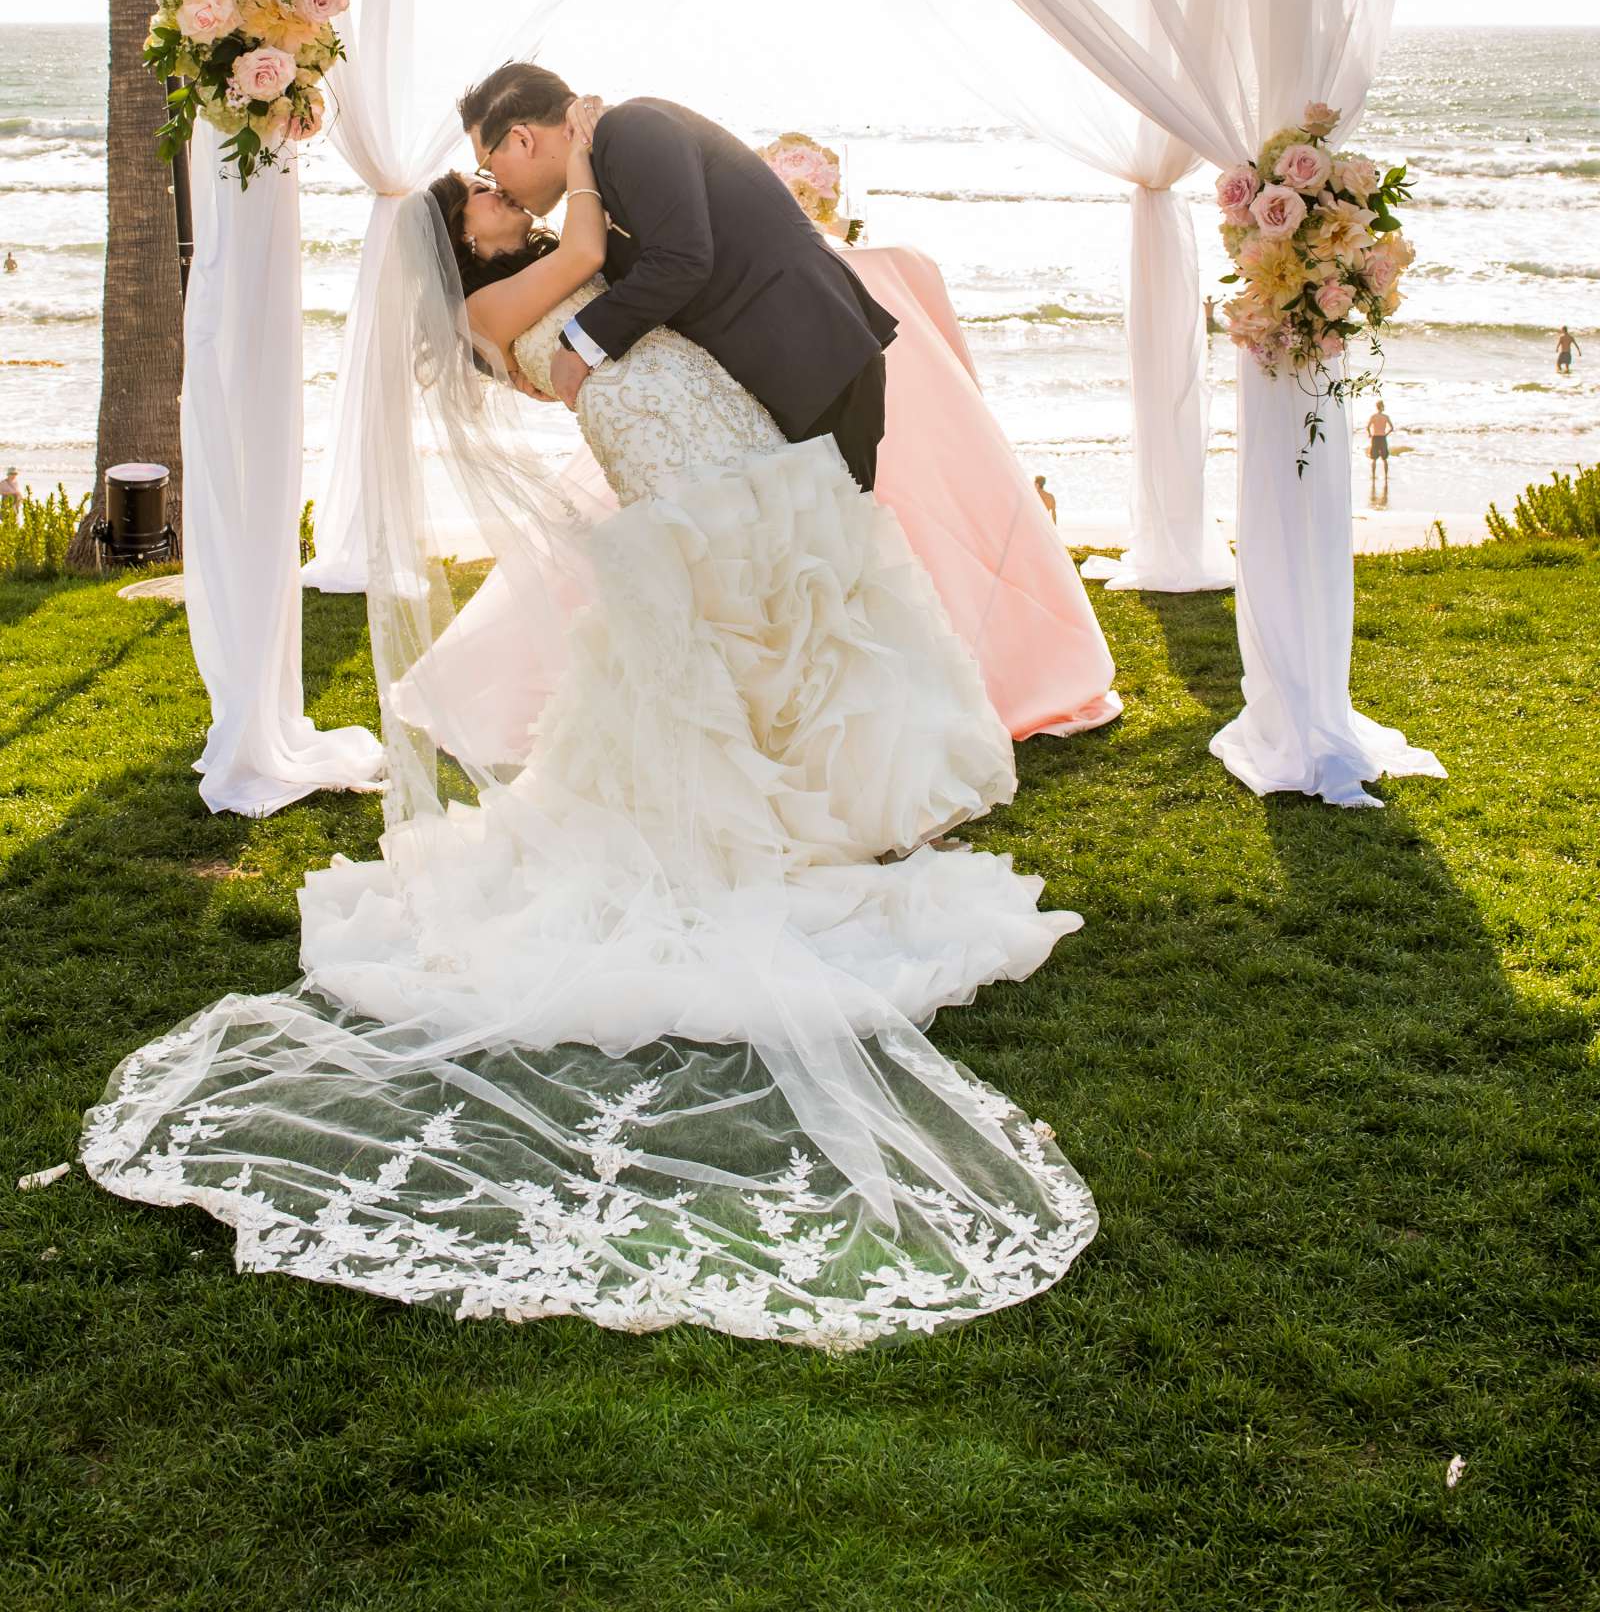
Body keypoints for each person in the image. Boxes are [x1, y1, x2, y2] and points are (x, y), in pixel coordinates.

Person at [83, 79, 1097, 1350]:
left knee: (773, 600)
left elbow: (622, 254)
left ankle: (799, 799)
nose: (500, 199)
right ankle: (744, 815)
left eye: (493, 176)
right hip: (654, 417)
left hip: (685, 399)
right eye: (481, 200)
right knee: (733, 605)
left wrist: (596, 156)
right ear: (468, 244)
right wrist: (588, 151)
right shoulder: (502, 295)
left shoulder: (545, 242)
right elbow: (590, 254)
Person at [468, 68, 898, 494]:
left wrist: (577, 345)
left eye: (488, 166)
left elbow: (681, 259)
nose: (495, 183)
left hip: (808, 357)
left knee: (832, 544)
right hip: (768, 383)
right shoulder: (596, 177)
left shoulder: (629, 129)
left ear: (523, 138)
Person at [1366, 400, 1394, 498]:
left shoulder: (1373, 416)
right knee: (1385, 458)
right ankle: (1386, 477)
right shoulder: (1385, 417)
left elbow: (1367, 427)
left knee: (1374, 458)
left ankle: (1373, 476)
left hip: (1375, 437)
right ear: (1382, 407)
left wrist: (1370, 434)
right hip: (1382, 437)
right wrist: (1386, 434)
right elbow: (1392, 428)